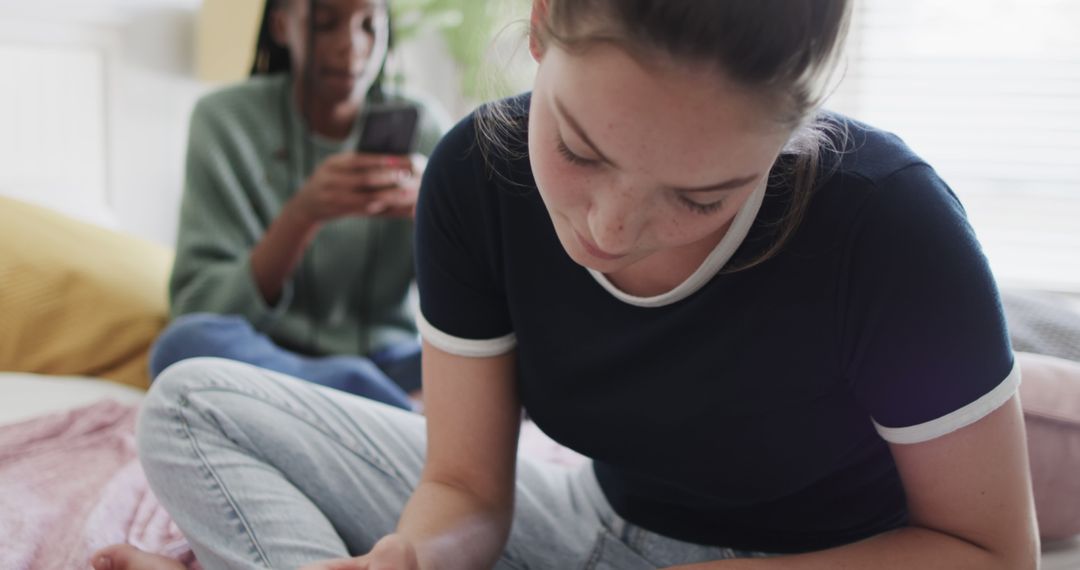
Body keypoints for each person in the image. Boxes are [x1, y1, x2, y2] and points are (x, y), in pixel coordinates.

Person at [93, 1, 1040, 568]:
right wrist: (413, 556)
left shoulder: (890, 227)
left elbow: (991, 552)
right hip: (596, 521)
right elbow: (465, 488)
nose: (609, 231)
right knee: (191, 403)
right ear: (542, 24)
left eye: (701, 197)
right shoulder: (474, 176)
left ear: (798, 135)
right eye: (580, 152)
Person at [147, 0, 448, 410]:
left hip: (389, 363)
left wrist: (437, 215)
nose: (351, 46)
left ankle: (358, 405)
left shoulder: (425, 124)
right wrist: (301, 216)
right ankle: (383, 408)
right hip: (269, 361)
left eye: (369, 26)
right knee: (180, 348)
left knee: (522, 345)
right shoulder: (223, 120)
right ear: (281, 25)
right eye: (325, 24)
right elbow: (198, 310)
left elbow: (471, 304)